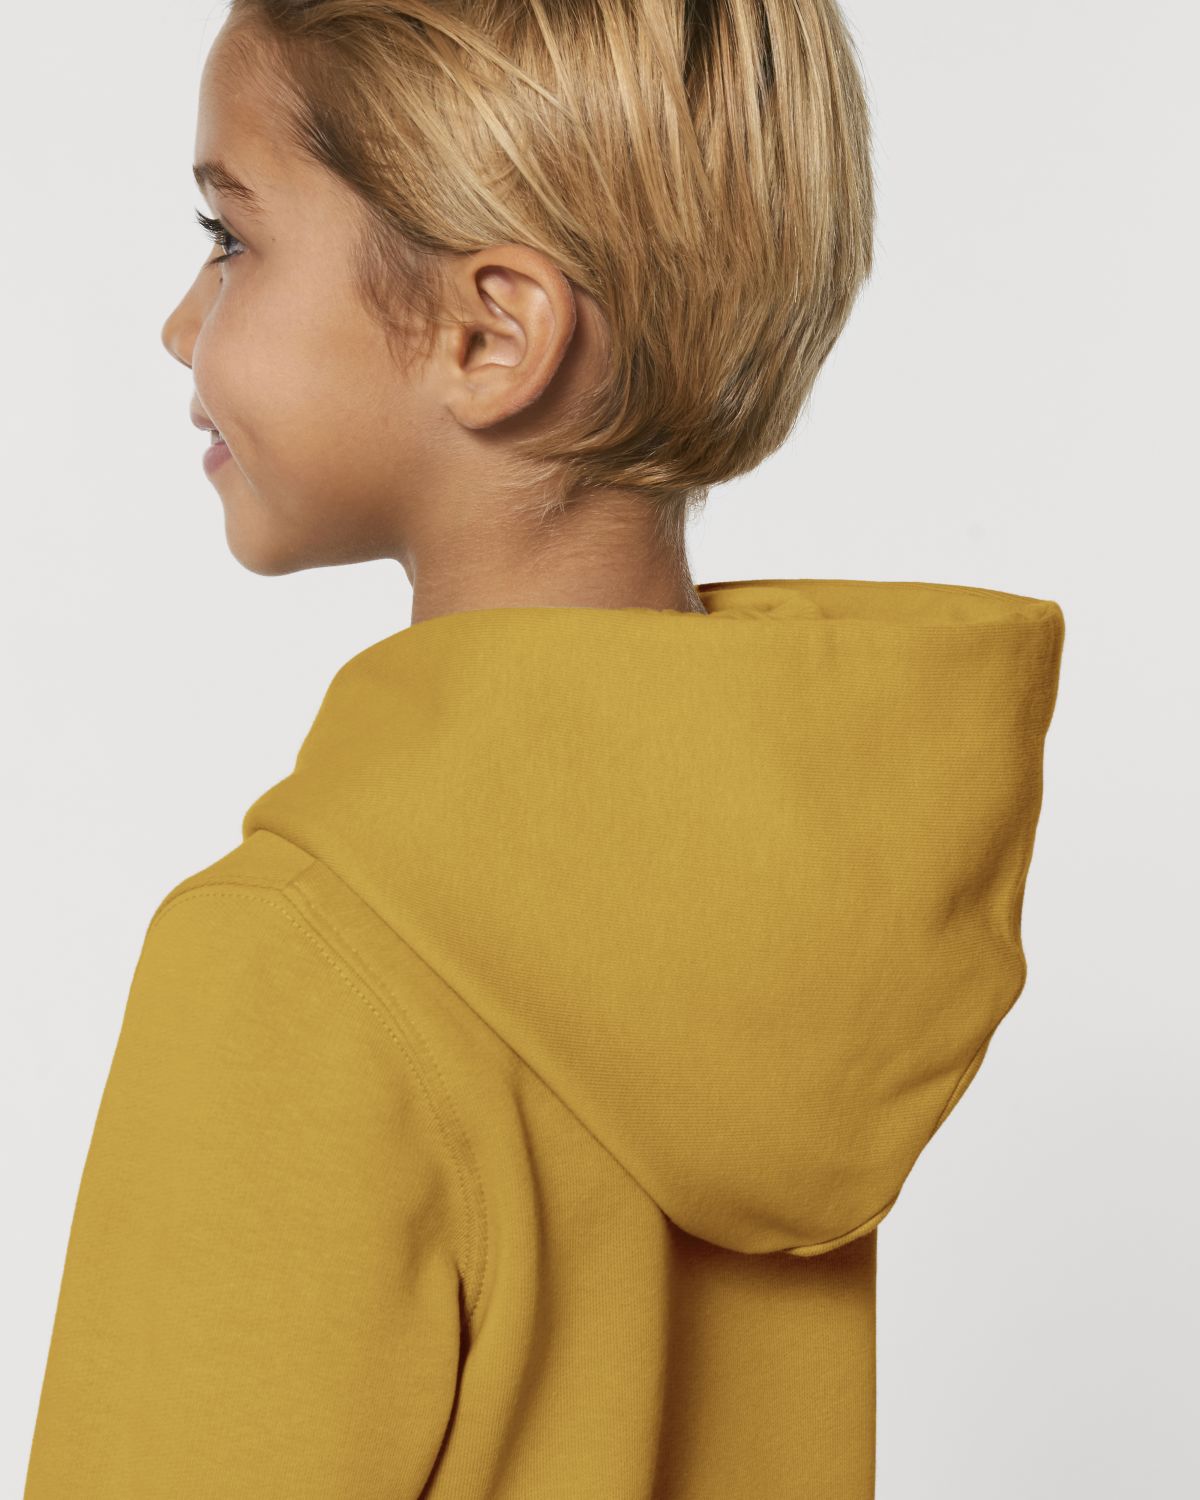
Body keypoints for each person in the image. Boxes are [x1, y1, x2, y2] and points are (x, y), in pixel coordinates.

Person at [23, 3, 1065, 1496]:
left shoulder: (292, 964)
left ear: (490, 332)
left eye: (230, 238)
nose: (183, 323)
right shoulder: (774, 931)